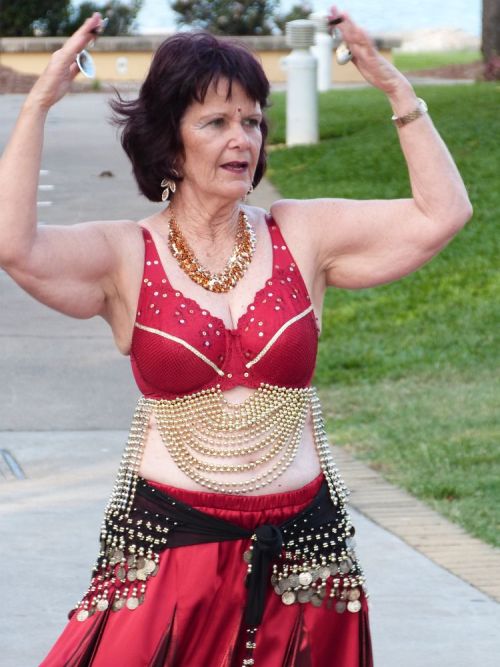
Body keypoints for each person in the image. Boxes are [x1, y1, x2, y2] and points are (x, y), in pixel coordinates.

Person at [0, 6, 472, 667]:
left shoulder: (301, 233)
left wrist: (398, 91)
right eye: (217, 122)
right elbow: (14, 244)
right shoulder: (124, 253)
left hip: (305, 555)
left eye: (252, 120)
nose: (242, 139)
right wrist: (37, 108)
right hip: (171, 548)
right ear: (170, 141)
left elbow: (443, 213)